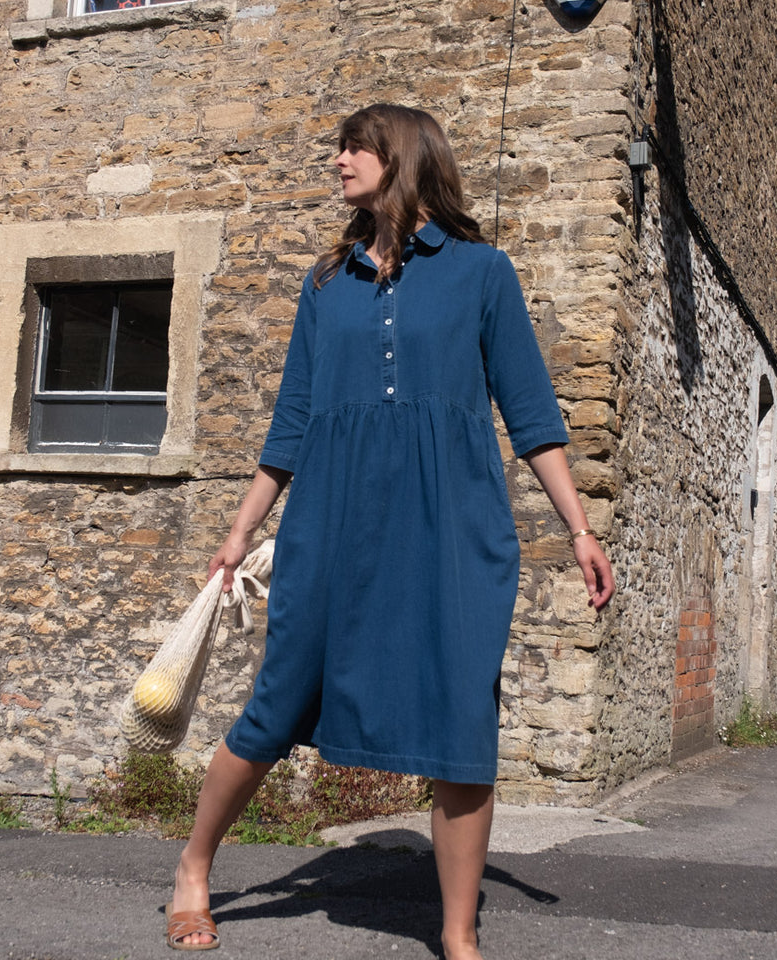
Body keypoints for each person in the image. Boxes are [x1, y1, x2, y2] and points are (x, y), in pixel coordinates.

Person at [166, 104, 615, 957]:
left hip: (451, 529)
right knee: (276, 704)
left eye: (355, 148)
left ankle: (458, 934)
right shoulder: (325, 285)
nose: (339, 161)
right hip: (332, 526)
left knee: (463, 721)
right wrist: (240, 530)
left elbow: (531, 413)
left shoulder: (483, 273)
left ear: (402, 157)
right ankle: (194, 867)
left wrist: (580, 529)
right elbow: (291, 421)